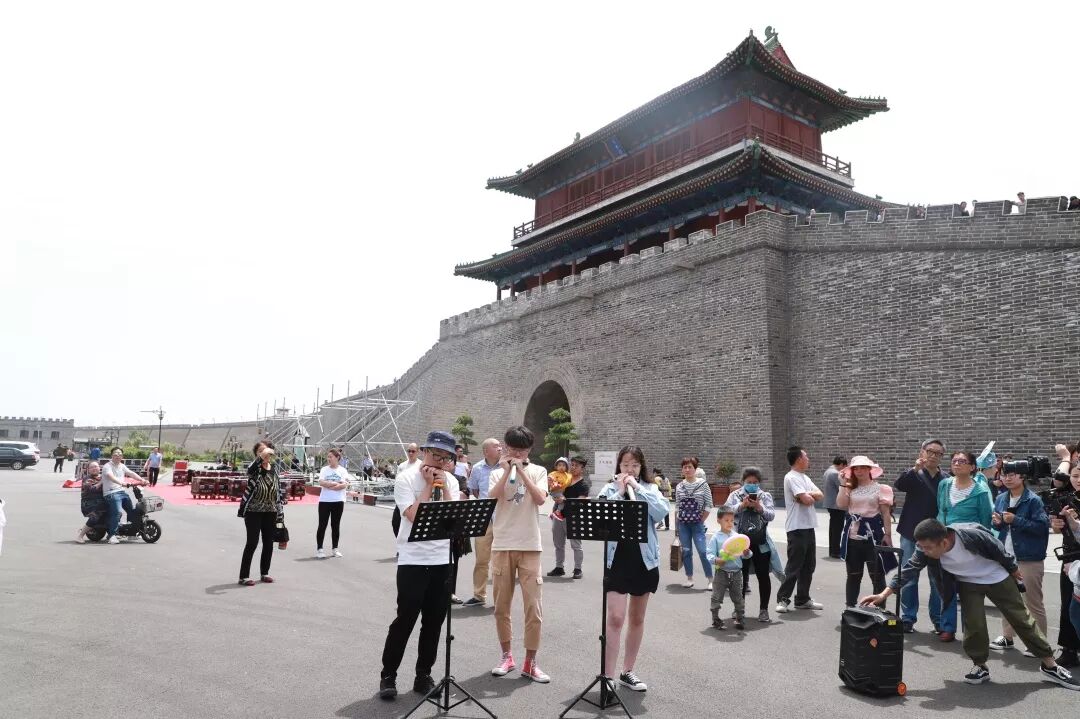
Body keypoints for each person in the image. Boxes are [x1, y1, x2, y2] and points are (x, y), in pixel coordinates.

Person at [861, 519, 1079, 690]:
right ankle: (980, 666)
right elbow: (909, 569)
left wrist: (1013, 570)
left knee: (1021, 619)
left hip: (997, 578)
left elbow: (998, 549)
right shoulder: (926, 548)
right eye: (922, 547)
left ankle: (1050, 665)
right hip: (968, 583)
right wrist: (884, 593)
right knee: (974, 626)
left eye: (928, 548)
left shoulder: (970, 535)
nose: (924, 551)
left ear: (944, 542)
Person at [378, 430, 461, 700]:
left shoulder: (451, 480)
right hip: (413, 560)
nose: (440, 461)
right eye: (436, 455)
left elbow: (454, 517)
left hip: (442, 560)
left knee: (434, 623)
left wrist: (444, 486)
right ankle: (388, 676)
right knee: (405, 620)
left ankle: (423, 676)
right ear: (425, 452)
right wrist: (427, 485)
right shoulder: (405, 478)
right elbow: (413, 516)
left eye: (446, 457)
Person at [596, 445, 669, 692]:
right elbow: (601, 520)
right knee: (616, 618)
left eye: (635, 465)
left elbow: (661, 512)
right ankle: (607, 676)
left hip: (644, 560)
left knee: (637, 618)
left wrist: (637, 488)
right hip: (616, 560)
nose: (630, 469)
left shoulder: (650, 488)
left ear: (641, 467)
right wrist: (619, 492)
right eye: (626, 464)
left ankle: (627, 671)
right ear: (619, 466)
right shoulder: (608, 489)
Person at [487, 425, 550, 683]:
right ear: (505, 447)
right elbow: (492, 498)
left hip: (530, 546)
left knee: (533, 607)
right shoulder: (496, 472)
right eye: (512, 449)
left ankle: (530, 662)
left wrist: (521, 471)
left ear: (529, 450)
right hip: (502, 545)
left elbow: (541, 499)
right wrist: (506, 471)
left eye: (521, 450)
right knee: (501, 606)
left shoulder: (539, 471)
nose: (516, 454)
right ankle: (507, 656)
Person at [989, 466, 1049, 653]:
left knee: (1032, 602)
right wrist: (997, 523)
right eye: (1004, 475)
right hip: (1006, 556)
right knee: (1007, 599)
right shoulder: (1001, 498)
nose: (1007, 478)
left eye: (1011, 475)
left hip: (1028, 557)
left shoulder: (1033, 500)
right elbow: (999, 526)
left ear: (1022, 477)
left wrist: (1015, 520)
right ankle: (1007, 637)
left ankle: (1040, 643)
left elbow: (1042, 527)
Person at [894, 438, 950, 635]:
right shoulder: (914, 474)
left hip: (936, 537)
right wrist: (915, 468)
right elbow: (899, 484)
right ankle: (908, 618)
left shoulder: (946, 479)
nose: (933, 456)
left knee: (937, 580)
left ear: (942, 457)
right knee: (909, 577)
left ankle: (938, 620)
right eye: (930, 451)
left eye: (938, 453)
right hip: (911, 533)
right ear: (922, 452)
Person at [836, 456, 895, 608]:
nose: (859, 471)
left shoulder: (881, 488)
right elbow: (841, 505)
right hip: (852, 536)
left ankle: (880, 610)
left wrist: (888, 534)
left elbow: (885, 513)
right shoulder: (850, 488)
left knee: (877, 576)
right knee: (853, 575)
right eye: (855, 468)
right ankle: (850, 609)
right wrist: (842, 484)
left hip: (873, 536)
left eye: (862, 467)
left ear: (869, 469)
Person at [726, 467, 783, 622]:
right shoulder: (735, 495)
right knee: (740, 577)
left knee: (763, 575)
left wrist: (759, 507)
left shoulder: (764, 496)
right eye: (749, 482)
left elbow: (771, 515)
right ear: (743, 481)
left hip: (760, 542)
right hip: (740, 543)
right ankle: (739, 608)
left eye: (755, 482)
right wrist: (741, 506)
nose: (752, 485)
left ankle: (764, 610)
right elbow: (725, 512)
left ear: (759, 483)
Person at [776, 446, 824, 613]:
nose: (808, 459)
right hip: (796, 528)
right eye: (806, 456)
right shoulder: (791, 477)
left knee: (809, 565)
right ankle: (783, 599)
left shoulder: (804, 477)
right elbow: (807, 500)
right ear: (798, 459)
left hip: (809, 526)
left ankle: (803, 599)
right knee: (794, 565)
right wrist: (807, 496)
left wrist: (807, 495)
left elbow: (820, 495)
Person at [238, 441, 286, 586]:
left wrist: (280, 513)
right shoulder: (255, 468)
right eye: (260, 451)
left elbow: (278, 491)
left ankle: (265, 573)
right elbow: (249, 470)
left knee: (268, 543)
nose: (265, 453)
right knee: (252, 543)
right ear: (257, 455)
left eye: (266, 451)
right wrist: (261, 456)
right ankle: (244, 576)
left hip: (271, 511)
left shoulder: (275, 468)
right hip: (253, 511)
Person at [462, 438, 502, 607]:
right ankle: (479, 595)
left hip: (503, 519)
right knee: (481, 560)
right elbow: (475, 491)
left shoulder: (506, 467)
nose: (500, 448)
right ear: (486, 451)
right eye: (496, 446)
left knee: (501, 562)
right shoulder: (477, 468)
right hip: (484, 519)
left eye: (500, 445)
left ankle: (501, 598)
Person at [1050, 460, 1080, 667]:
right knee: (1068, 604)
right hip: (1070, 555)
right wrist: (1057, 524)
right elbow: (1057, 529)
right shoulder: (1066, 498)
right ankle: (1069, 649)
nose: (1078, 480)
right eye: (1075, 475)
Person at [706, 505, 751, 630]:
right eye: (726, 520)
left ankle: (740, 618)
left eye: (732, 520)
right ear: (718, 520)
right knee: (717, 596)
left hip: (736, 572)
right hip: (721, 572)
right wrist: (716, 560)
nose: (730, 523)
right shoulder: (716, 537)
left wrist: (747, 553)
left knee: (738, 597)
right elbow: (709, 554)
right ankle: (715, 619)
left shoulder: (737, 536)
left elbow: (745, 554)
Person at [674, 458, 713, 589]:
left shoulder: (703, 484)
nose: (687, 469)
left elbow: (709, 504)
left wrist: (702, 520)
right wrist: (676, 527)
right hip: (683, 524)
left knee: (703, 551)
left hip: (697, 524)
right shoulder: (679, 486)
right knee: (686, 551)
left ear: (695, 469)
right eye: (684, 467)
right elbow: (677, 507)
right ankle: (689, 578)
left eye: (690, 467)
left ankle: (710, 580)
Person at [548, 455, 589, 579]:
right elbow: (555, 493)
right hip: (558, 516)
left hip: (574, 518)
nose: (573, 467)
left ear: (582, 468)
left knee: (576, 545)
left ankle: (578, 569)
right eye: (572, 465)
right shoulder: (565, 479)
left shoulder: (583, 485)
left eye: (577, 466)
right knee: (558, 544)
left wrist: (564, 500)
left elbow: (580, 502)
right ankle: (559, 567)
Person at [101, 448, 149, 544]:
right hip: (111, 493)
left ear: (122, 456)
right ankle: (111, 535)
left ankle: (131, 533)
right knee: (118, 512)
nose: (118, 455)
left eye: (120, 454)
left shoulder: (122, 466)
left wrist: (142, 480)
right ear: (112, 455)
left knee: (132, 511)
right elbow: (111, 477)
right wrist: (121, 483)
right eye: (115, 454)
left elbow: (131, 473)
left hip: (121, 492)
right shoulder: (107, 466)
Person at [315, 448, 352, 559]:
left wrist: (331, 484)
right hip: (325, 501)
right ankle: (320, 549)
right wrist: (335, 483)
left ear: (337, 458)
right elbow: (322, 482)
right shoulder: (324, 470)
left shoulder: (343, 470)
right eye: (328, 457)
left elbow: (344, 485)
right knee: (322, 525)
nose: (328, 459)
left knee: (335, 525)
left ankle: (335, 549)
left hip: (338, 501)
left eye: (331, 457)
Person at [393, 443, 423, 539]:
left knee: (409, 525)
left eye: (413, 451)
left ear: (417, 452)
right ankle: (399, 543)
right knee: (395, 523)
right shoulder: (402, 466)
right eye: (409, 451)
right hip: (403, 499)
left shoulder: (421, 465)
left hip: (414, 500)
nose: (410, 453)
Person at [75, 461, 107, 543]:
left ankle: (113, 533)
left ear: (99, 468)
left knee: (116, 511)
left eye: (96, 466)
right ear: (88, 470)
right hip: (89, 504)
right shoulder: (87, 479)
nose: (94, 468)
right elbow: (91, 489)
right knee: (95, 516)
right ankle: (80, 536)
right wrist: (101, 482)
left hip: (101, 503)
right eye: (92, 467)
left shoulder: (103, 477)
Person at [823, 456, 848, 559]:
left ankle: (832, 550)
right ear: (841, 464)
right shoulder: (835, 473)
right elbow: (842, 487)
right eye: (845, 466)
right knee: (837, 529)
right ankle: (836, 551)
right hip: (836, 505)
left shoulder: (827, 471)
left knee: (833, 528)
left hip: (830, 503)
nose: (845, 469)